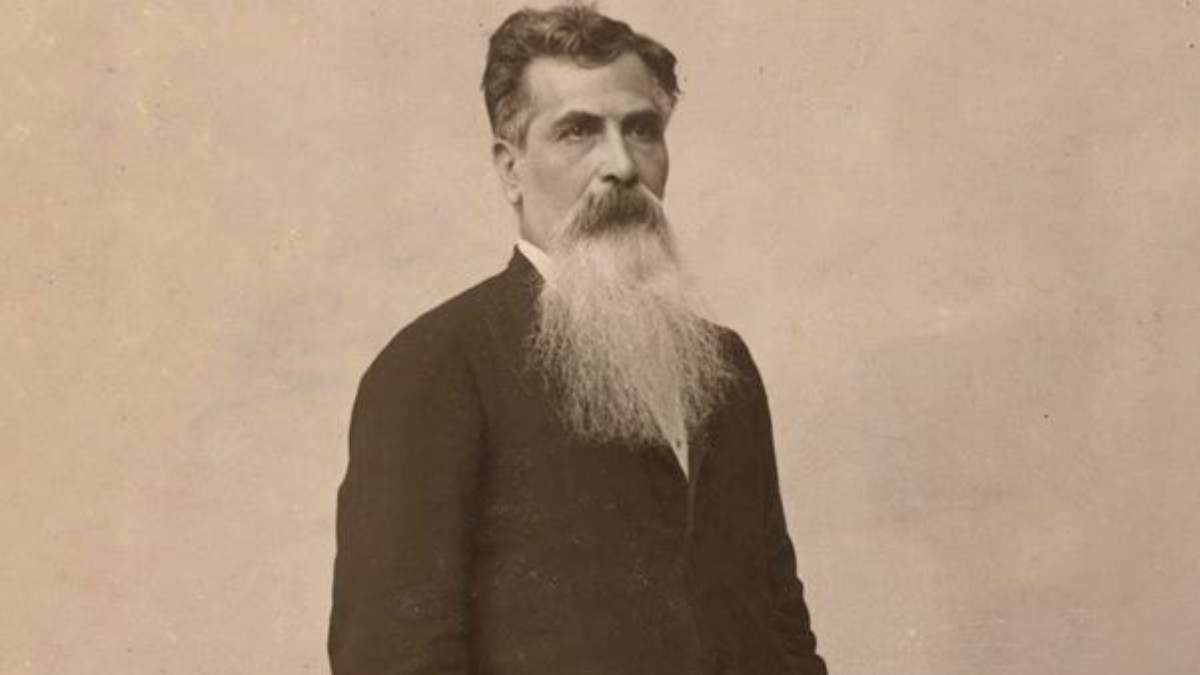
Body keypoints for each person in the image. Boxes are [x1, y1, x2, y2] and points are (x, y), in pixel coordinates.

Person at [329, 5, 827, 674]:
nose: (621, 165)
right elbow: (392, 656)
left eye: (642, 130)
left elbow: (780, 620)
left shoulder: (724, 364)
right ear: (510, 169)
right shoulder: (437, 364)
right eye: (578, 132)